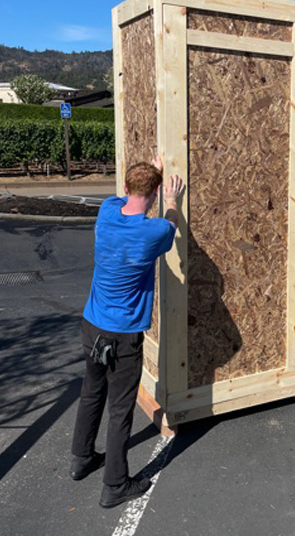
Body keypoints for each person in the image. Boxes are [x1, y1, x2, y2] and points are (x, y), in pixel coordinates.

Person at [70, 157, 184, 508]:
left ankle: (81, 459)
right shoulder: (154, 232)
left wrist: (145, 173)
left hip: (92, 325)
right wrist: (171, 202)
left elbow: (125, 200)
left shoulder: (106, 213)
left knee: (92, 392)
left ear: (125, 188)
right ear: (153, 194)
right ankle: (115, 485)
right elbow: (171, 227)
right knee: (120, 409)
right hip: (123, 335)